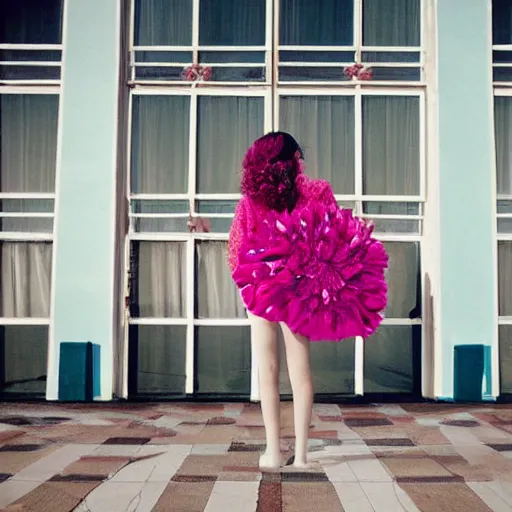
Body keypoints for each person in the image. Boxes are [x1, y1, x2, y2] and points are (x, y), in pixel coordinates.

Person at [228, 132, 339, 469]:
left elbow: (236, 248)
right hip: (298, 287)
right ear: (292, 160)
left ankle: (274, 452)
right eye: (299, 156)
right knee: (300, 370)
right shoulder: (315, 194)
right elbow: (334, 236)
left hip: (259, 286)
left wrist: (247, 283)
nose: (302, 161)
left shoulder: (250, 200)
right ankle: (302, 456)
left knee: (268, 369)